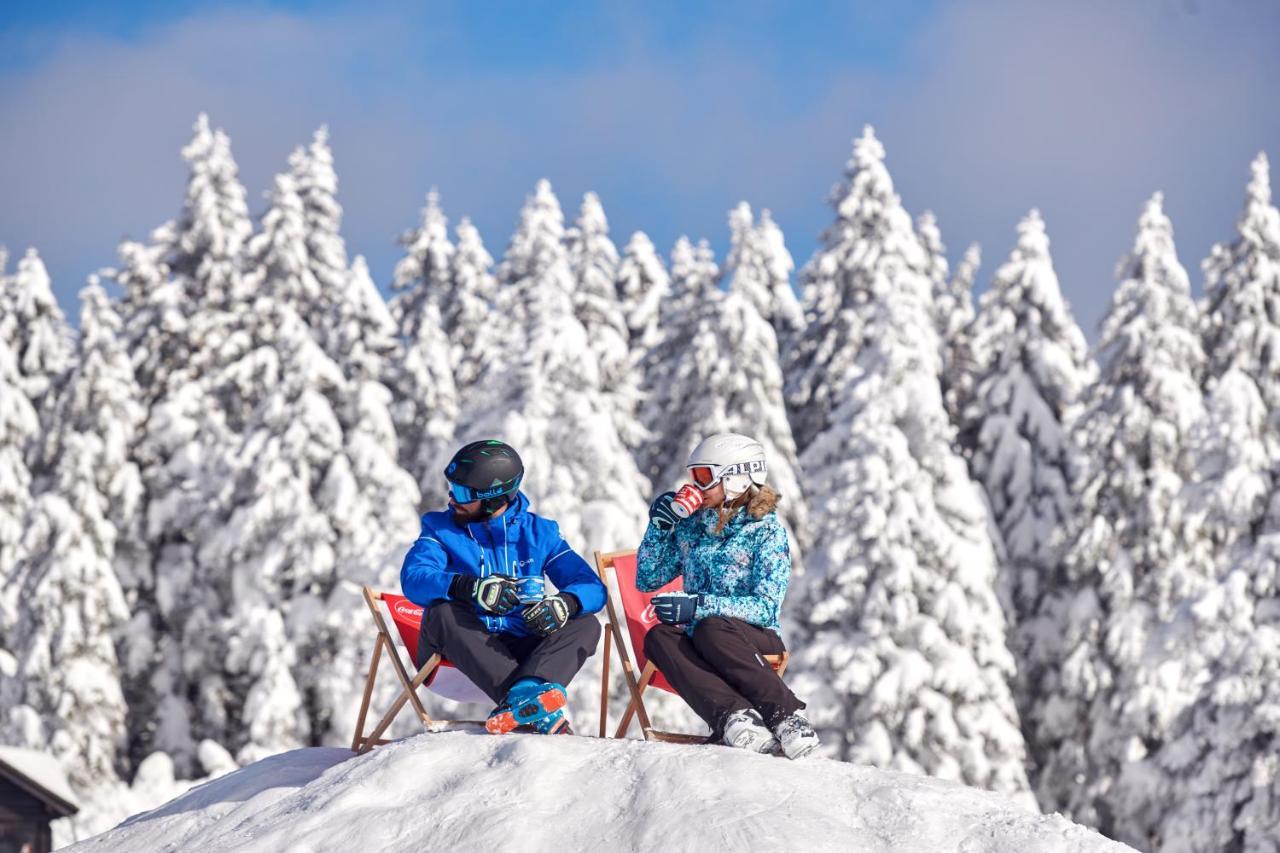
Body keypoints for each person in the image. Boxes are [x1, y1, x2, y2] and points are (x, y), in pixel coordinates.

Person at [400, 439, 605, 735]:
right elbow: (414, 578)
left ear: (494, 498)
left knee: (586, 624)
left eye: (462, 492)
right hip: (463, 645)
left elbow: (591, 586)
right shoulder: (440, 529)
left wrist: (566, 603)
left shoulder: (539, 534)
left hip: (521, 644)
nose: (451, 499)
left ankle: (524, 696)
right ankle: (532, 708)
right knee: (442, 612)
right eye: (452, 488)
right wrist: (467, 587)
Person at [636, 433, 819, 759]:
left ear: (737, 479)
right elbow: (648, 578)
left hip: (754, 637)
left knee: (712, 627)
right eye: (692, 476)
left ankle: (787, 718)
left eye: (704, 477)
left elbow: (765, 608)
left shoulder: (765, 531)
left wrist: (699, 606)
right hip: (703, 635)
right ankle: (736, 718)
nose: (694, 486)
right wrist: (660, 528)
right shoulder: (692, 526)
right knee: (659, 637)